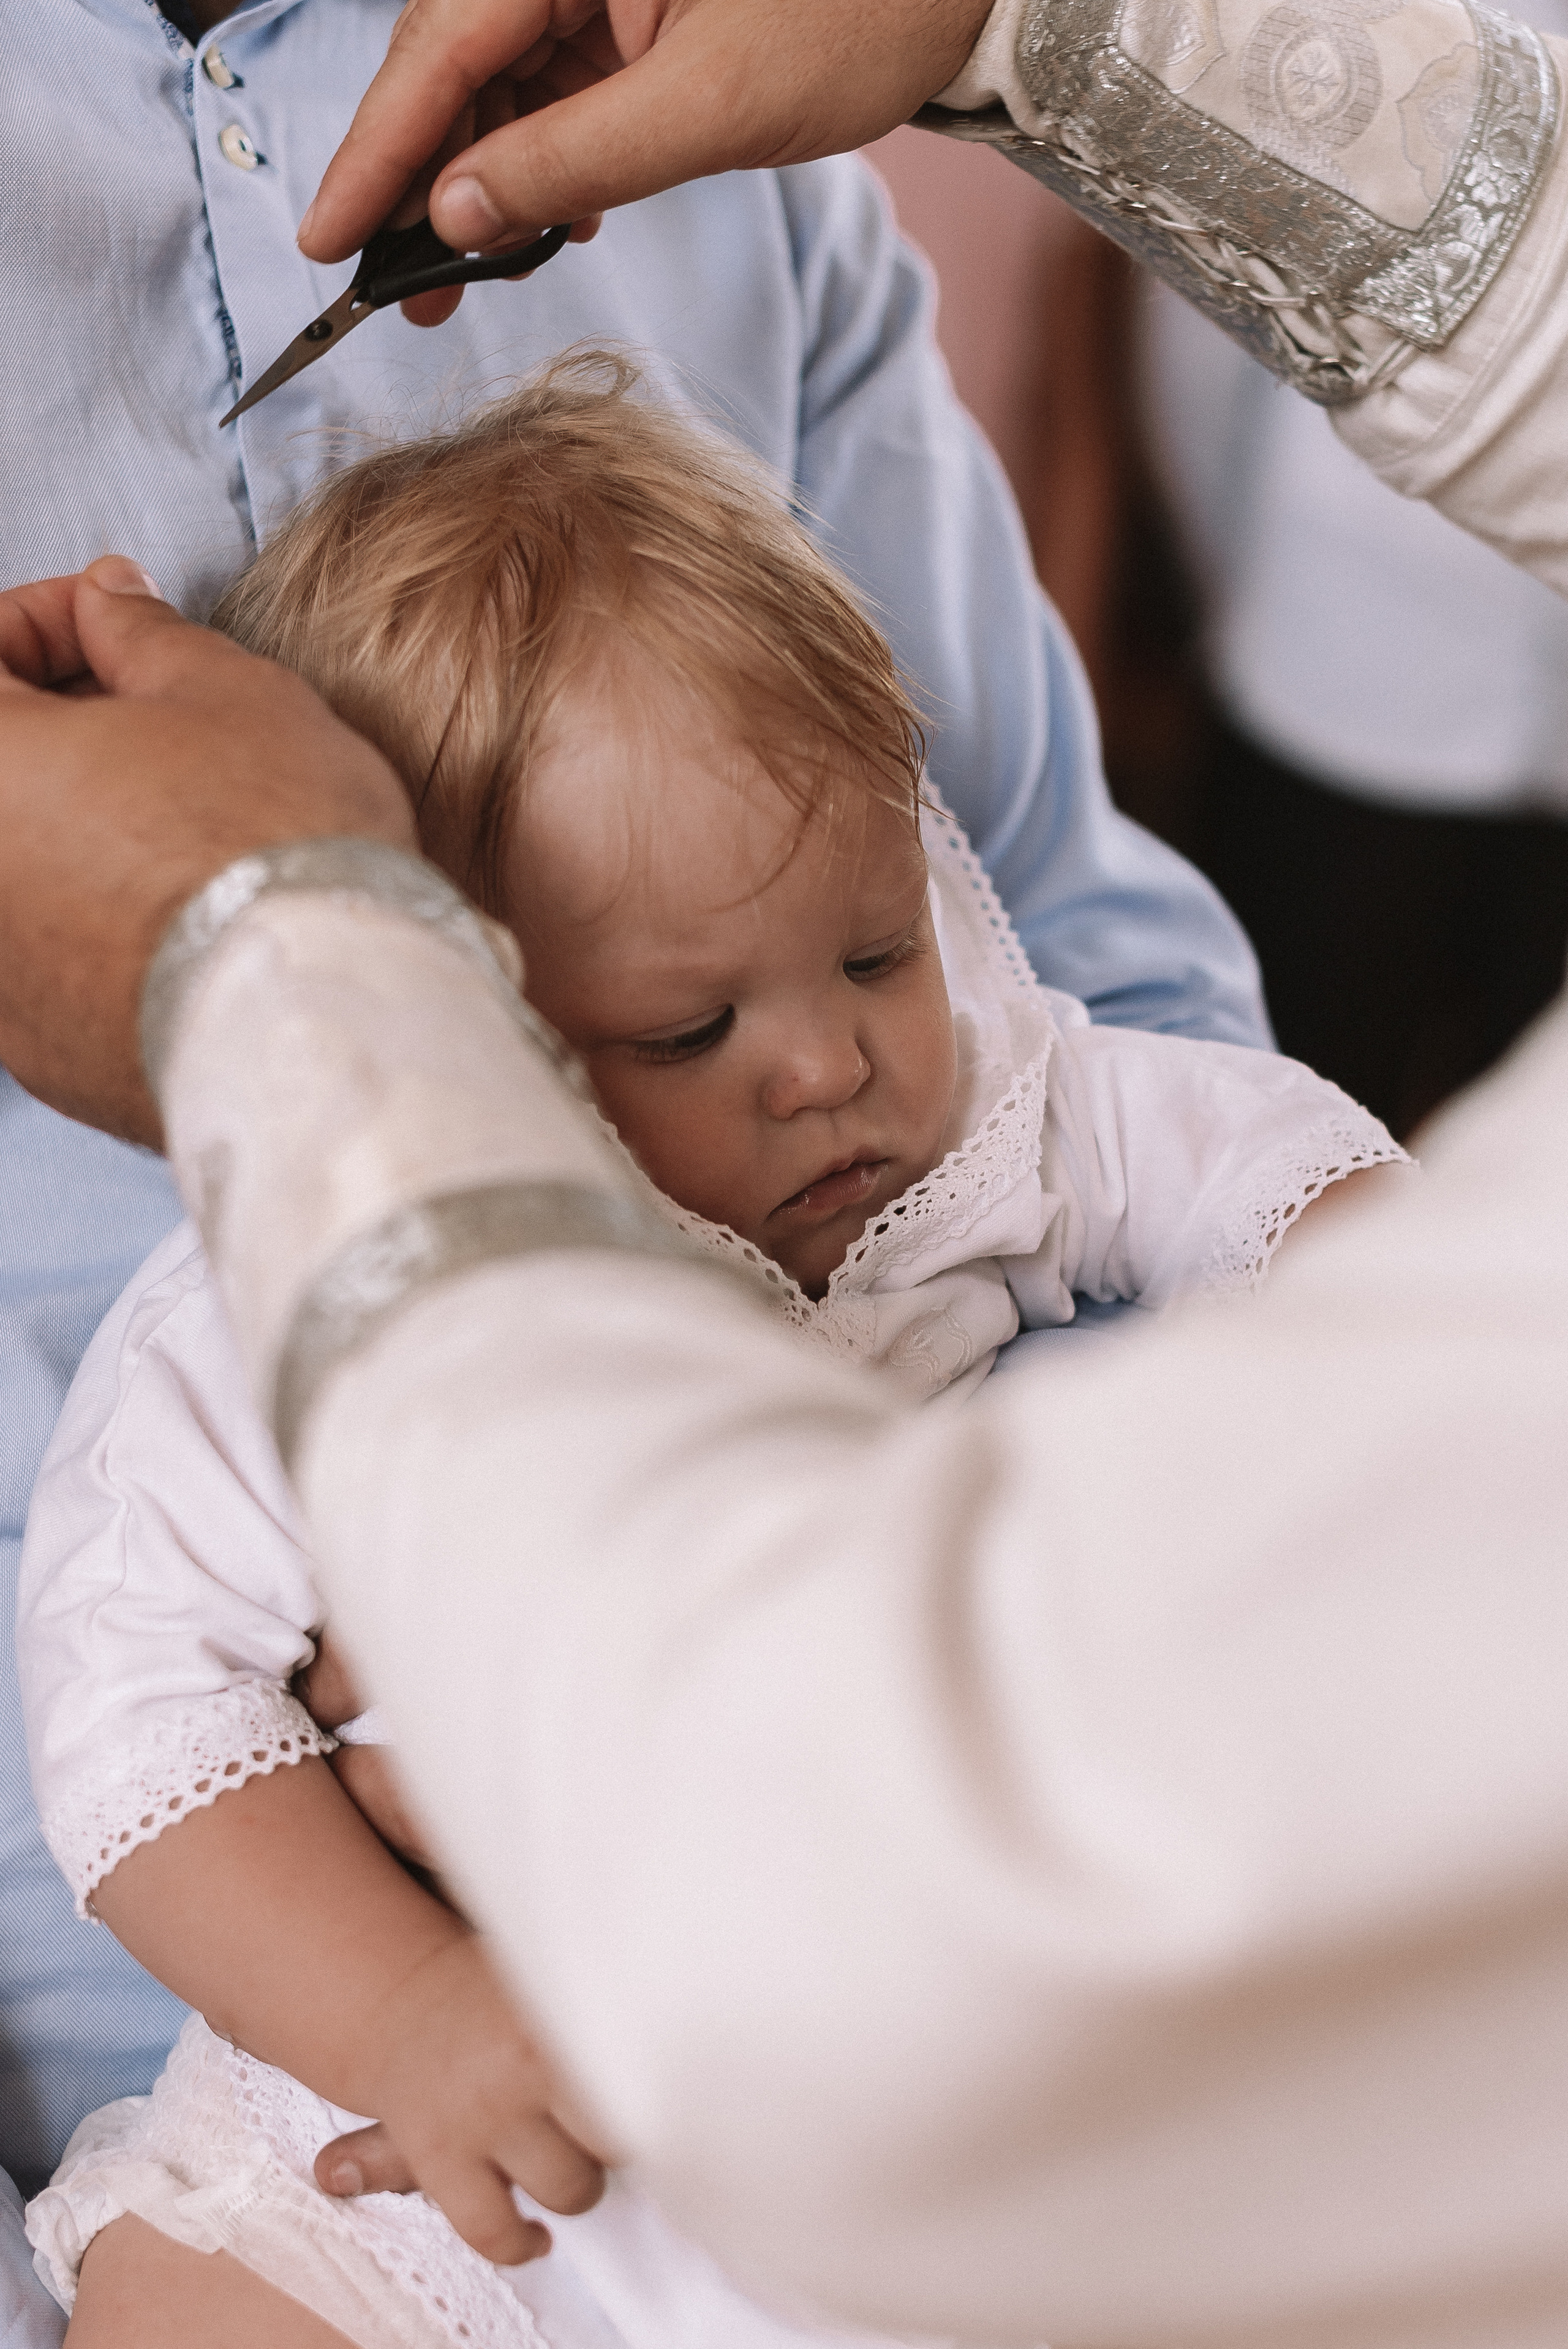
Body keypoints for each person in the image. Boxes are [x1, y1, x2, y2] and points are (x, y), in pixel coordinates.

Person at [2, 0, 1567, 2330]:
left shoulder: (990, 1109)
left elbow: (1238, 1154)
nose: (839, 1067)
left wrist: (1275, 1357)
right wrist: (406, 2009)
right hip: (391, 2106)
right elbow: (139, 1727)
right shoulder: (212, 1355)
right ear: (499, 1008)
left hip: (842, 2041)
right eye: (692, 1027)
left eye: (877, 952)